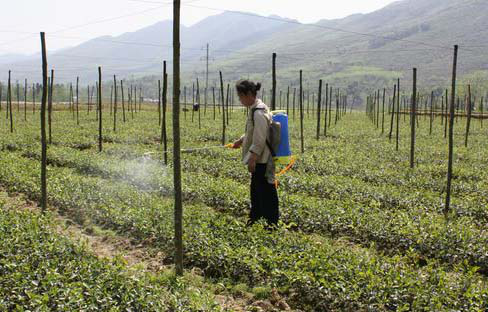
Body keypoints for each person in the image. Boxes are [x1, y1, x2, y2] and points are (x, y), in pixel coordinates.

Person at [232, 80, 279, 227]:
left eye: (240, 96)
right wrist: (241, 140)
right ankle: (255, 218)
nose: (240, 100)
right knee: (257, 190)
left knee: (266, 191)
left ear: (248, 94)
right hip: (260, 158)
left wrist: (252, 157)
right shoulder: (256, 109)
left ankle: (271, 224)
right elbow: (253, 133)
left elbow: (259, 139)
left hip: (262, 160)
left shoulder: (258, 112)